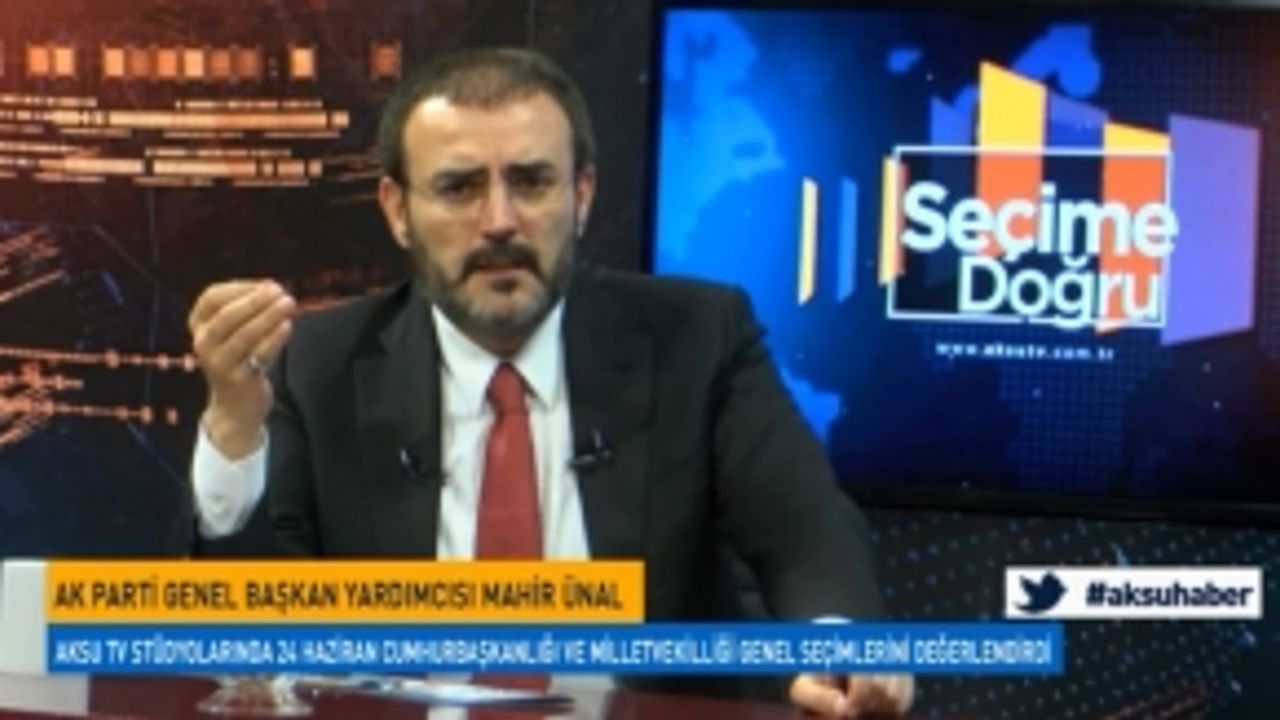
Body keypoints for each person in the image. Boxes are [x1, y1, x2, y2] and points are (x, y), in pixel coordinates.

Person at [187, 47, 913, 717]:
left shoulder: (699, 338)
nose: (499, 221)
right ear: (397, 210)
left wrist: (839, 642)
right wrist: (235, 428)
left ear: (582, 194)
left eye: (531, 182)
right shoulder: (318, 364)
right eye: (459, 188)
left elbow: (804, 526)